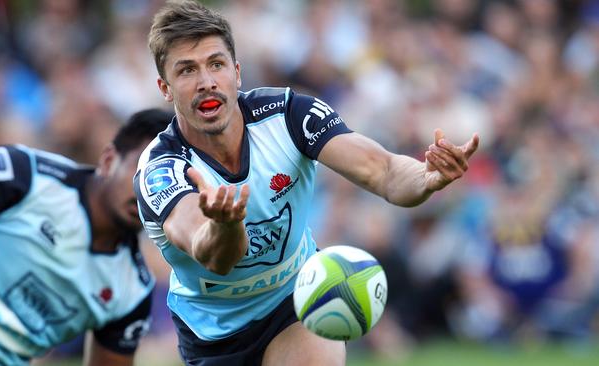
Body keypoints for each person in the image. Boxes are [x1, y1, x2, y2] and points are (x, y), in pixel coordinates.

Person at [134, 1, 480, 365]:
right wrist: (225, 224)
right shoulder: (161, 170)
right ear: (165, 87)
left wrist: (425, 177)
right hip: (213, 334)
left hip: (297, 300)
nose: (206, 82)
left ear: (236, 72)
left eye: (216, 64)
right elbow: (214, 256)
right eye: (187, 71)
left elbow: (385, 172)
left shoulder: (289, 116)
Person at [0, 108, 173, 366]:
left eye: (163, 180)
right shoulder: (29, 176)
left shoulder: (132, 291)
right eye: (142, 169)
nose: (147, 189)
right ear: (109, 160)